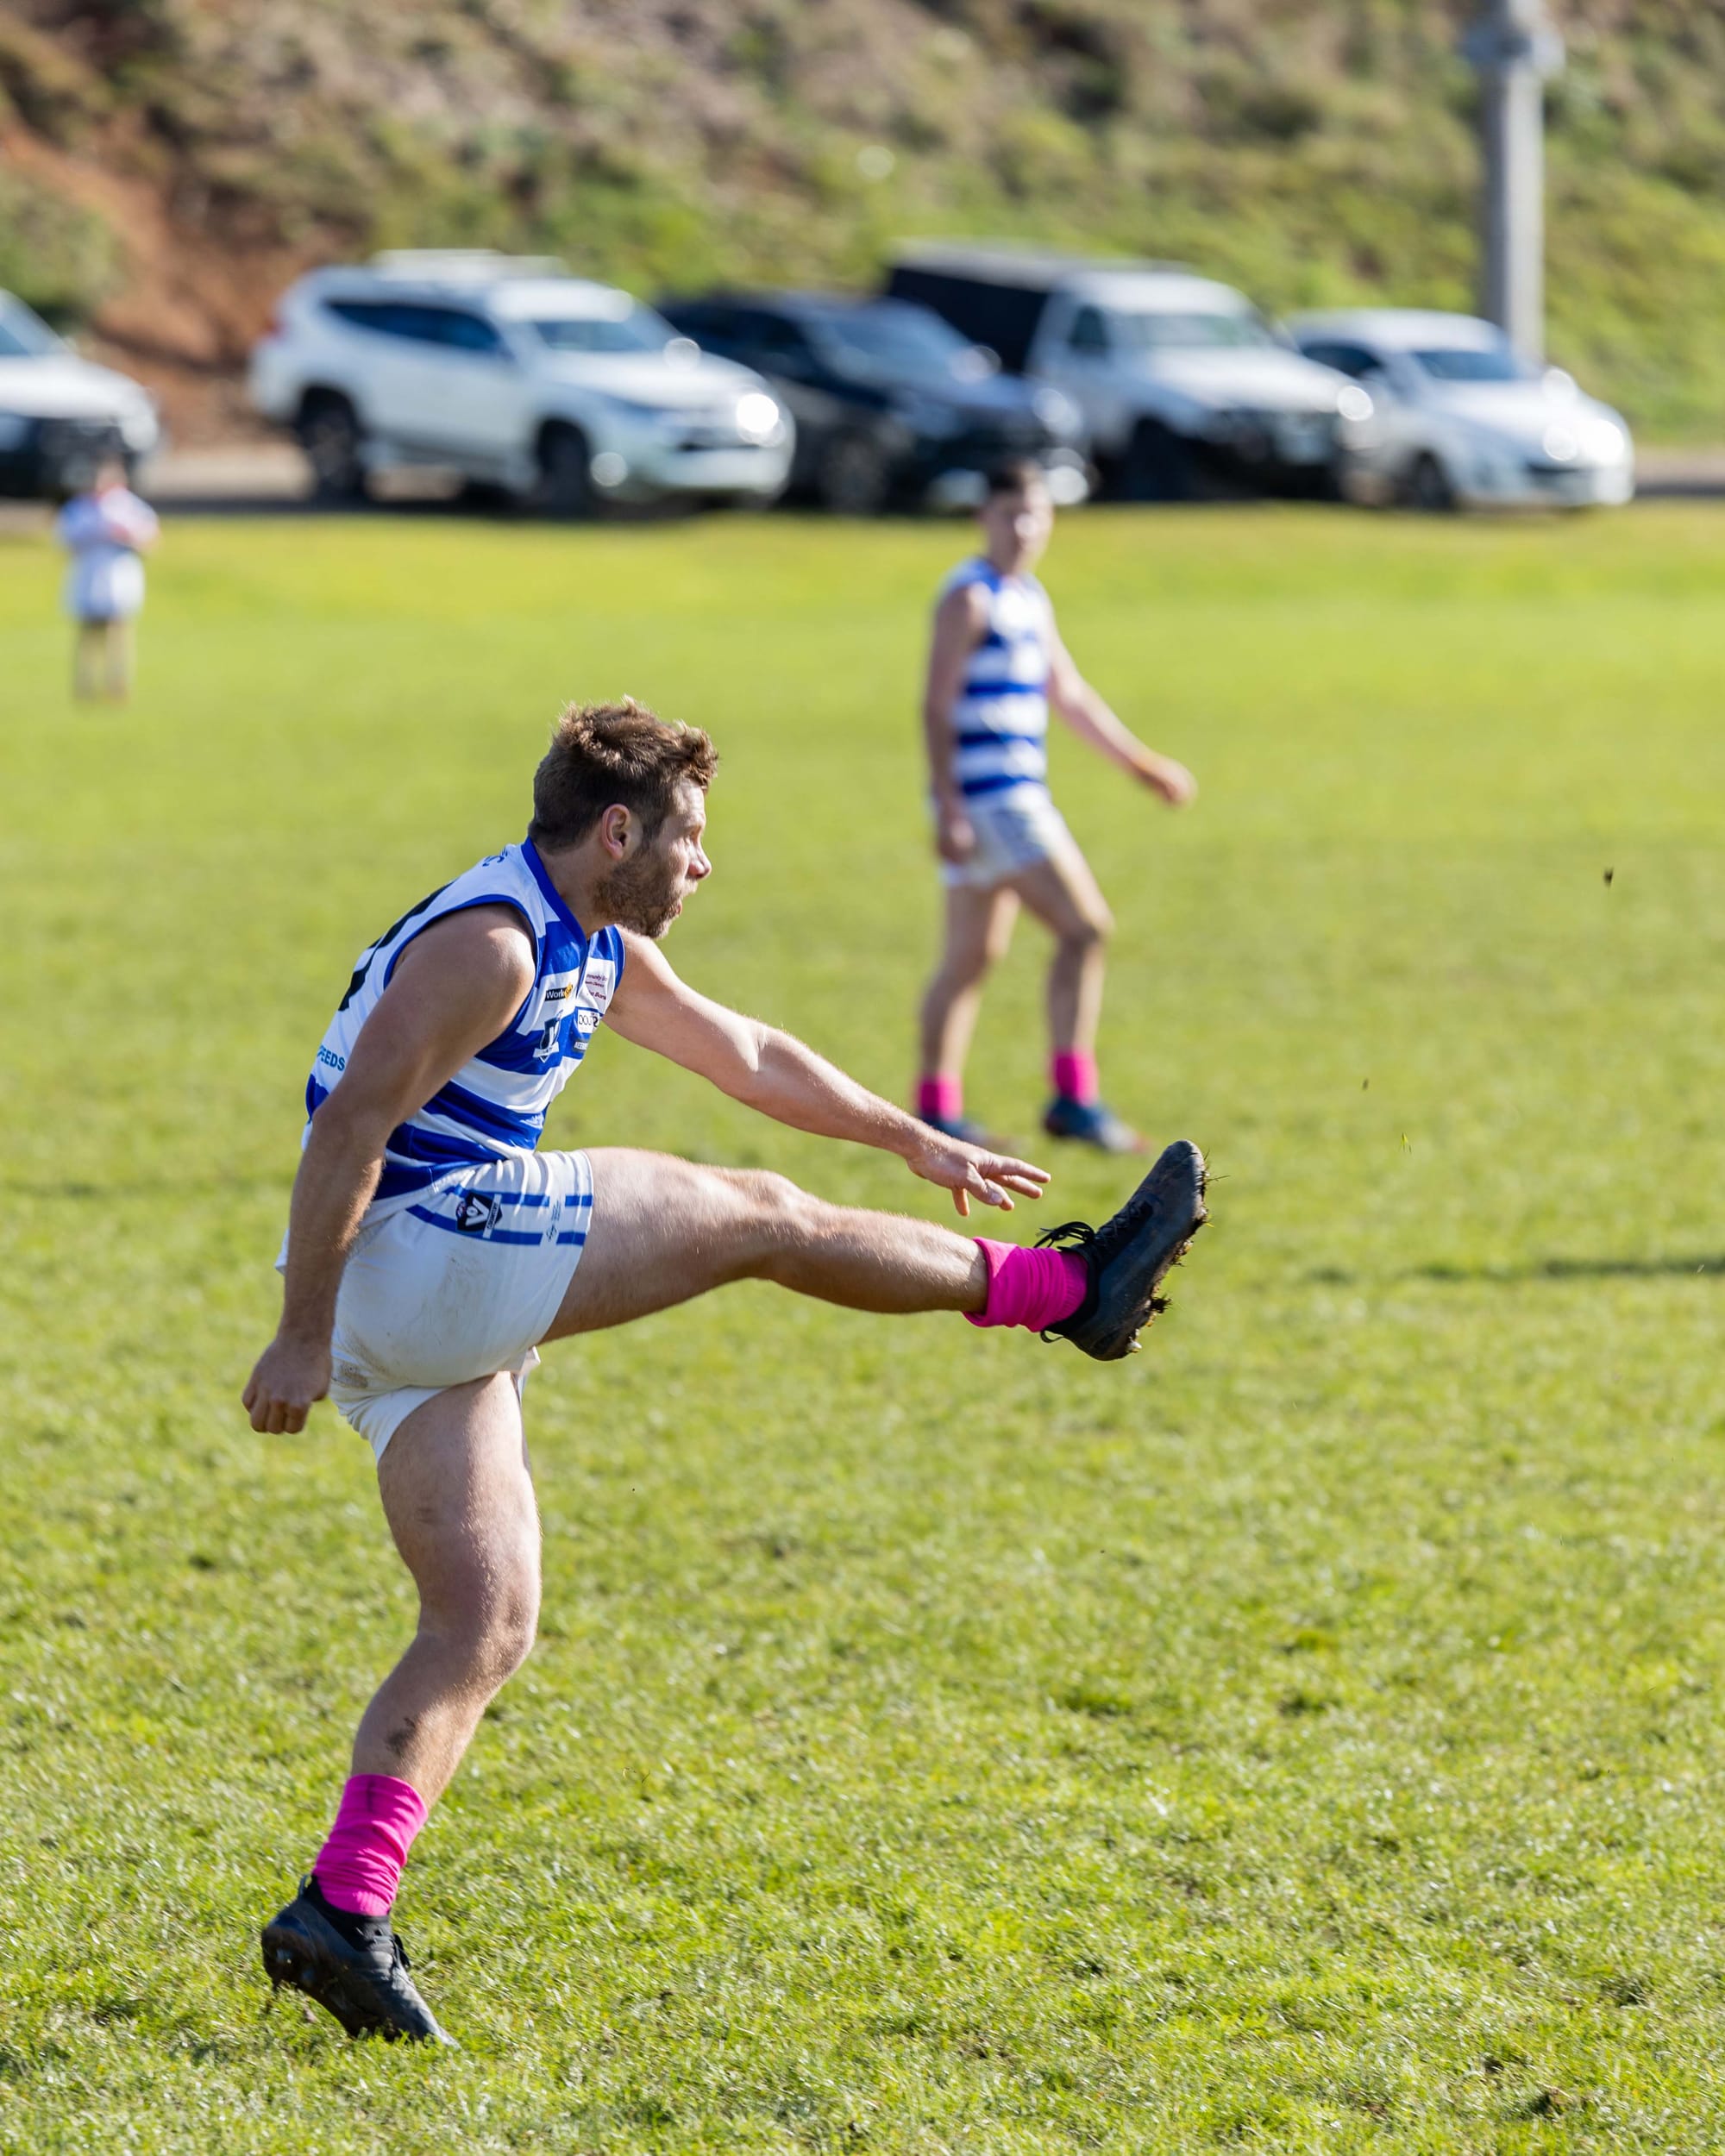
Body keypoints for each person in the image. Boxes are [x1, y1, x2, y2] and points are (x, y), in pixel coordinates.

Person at [244, 698, 1208, 2044]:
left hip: (401, 1305)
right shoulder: (497, 946)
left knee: (484, 1620)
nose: (703, 862)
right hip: (410, 1252)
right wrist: (299, 1330)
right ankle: (1067, 1294)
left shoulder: (588, 935)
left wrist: (908, 1138)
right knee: (758, 1214)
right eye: (687, 837)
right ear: (617, 832)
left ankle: (343, 1909)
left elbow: (744, 1053)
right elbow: (351, 1124)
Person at [914, 457, 1197, 1155]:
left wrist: (1141, 764)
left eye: (1035, 515)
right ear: (983, 516)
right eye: (1009, 513)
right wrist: (949, 805)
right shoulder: (969, 597)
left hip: (1003, 797)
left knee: (971, 957)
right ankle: (1074, 1098)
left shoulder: (1028, 598)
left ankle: (936, 1111)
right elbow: (936, 705)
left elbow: (1068, 694)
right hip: (993, 799)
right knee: (1085, 928)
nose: (1023, 529)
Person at [54, 457, 159, 702]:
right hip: (88, 574)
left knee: (118, 632)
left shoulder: (130, 507)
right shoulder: (79, 508)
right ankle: (84, 685)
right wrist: (93, 533)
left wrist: (126, 535)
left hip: (119, 576)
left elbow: (150, 541)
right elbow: (64, 539)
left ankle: (117, 685)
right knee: (88, 633)